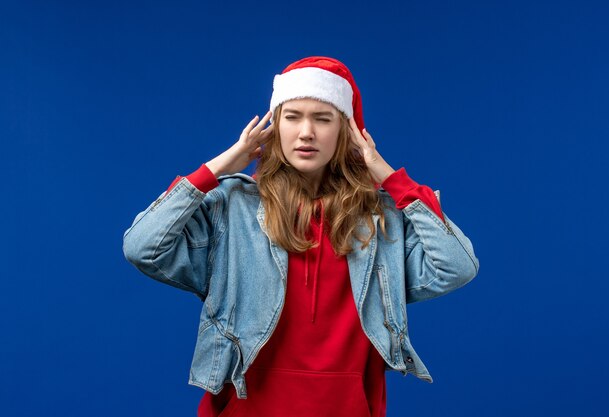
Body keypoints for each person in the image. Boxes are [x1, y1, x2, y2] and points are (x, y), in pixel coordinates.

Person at [123, 56, 479, 417]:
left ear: (346, 132)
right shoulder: (233, 207)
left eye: (322, 119)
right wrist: (218, 168)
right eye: (292, 117)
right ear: (275, 127)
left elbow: (457, 266)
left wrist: (389, 178)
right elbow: (143, 246)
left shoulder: (382, 215)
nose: (306, 132)